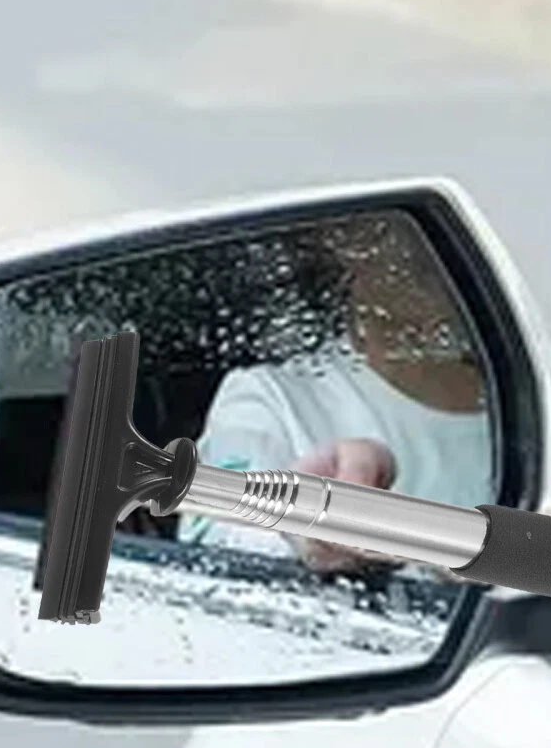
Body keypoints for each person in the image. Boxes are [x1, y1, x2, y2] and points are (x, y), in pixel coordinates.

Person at [178, 221, 495, 571]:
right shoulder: (270, 398)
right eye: (381, 230)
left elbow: (541, 563)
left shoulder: (528, 397)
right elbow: (216, 543)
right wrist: (301, 530)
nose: (430, 249)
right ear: (335, 243)